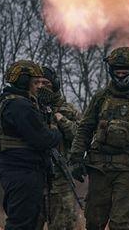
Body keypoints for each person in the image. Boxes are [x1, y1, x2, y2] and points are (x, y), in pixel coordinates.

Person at [68, 47, 129, 230]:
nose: (121, 77)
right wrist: (75, 158)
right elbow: (85, 129)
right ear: (111, 71)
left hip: (127, 170)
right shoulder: (101, 98)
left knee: (120, 222)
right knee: (94, 222)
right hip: (98, 168)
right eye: (117, 72)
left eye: (125, 73)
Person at [0, 60, 62, 230]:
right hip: (23, 172)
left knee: (27, 220)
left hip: (18, 170)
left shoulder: (9, 102)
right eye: (35, 82)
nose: (39, 87)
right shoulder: (20, 106)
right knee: (22, 223)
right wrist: (56, 132)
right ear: (24, 82)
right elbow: (43, 139)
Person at [36, 66, 81, 230]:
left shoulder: (67, 110)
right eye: (37, 82)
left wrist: (61, 120)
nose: (41, 86)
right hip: (34, 180)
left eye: (46, 82)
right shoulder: (28, 109)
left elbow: (81, 136)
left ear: (54, 84)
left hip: (60, 181)